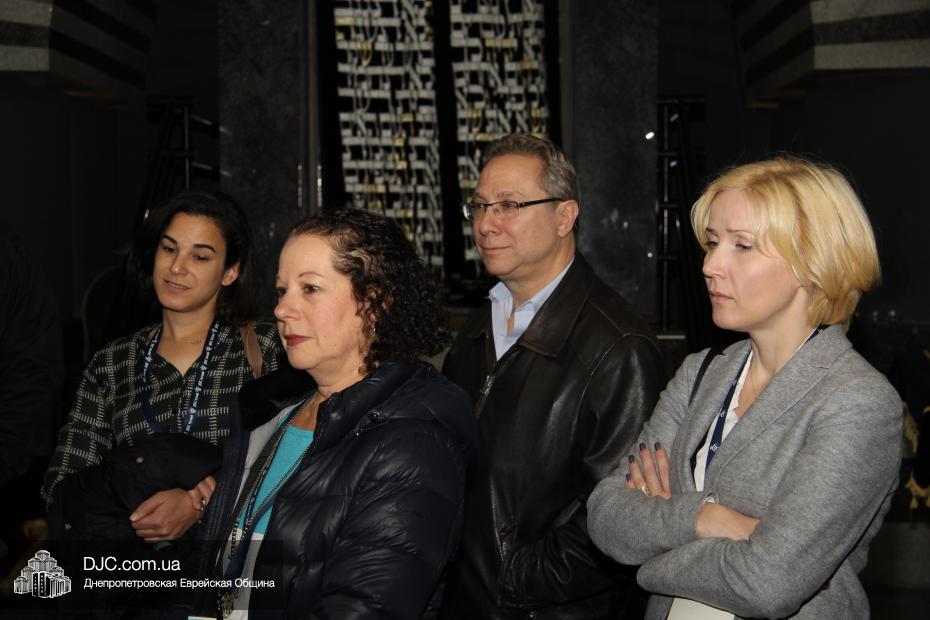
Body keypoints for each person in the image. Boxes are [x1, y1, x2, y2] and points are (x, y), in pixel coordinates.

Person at [587, 157, 902, 619]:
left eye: (742, 246)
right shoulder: (700, 374)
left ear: (812, 262)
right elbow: (606, 516)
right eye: (713, 242)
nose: (711, 265)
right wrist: (705, 517)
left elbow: (768, 583)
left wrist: (648, 564)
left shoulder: (856, 401)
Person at [191, 208, 476, 618]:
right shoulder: (271, 413)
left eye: (310, 288)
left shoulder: (414, 444)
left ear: (374, 304)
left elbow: (363, 608)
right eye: (282, 290)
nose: (283, 309)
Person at [440, 133, 664, 618]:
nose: (486, 224)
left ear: (565, 217)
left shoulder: (617, 346)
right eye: (479, 207)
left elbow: (625, 515)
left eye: (509, 205)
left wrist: (513, 580)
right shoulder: (479, 325)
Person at [41, 190, 284, 544]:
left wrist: (201, 503)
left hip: (232, 566)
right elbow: (62, 488)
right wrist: (140, 495)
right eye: (169, 249)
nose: (176, 267)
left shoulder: (265, 347)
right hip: (134, 569)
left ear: (230, 271)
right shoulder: (113, 362)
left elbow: (298, 461)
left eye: (200, 256)